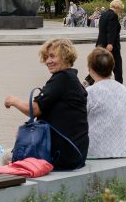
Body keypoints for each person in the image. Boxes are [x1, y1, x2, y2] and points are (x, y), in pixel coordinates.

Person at [5, 38, 88, 170]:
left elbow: (34, 109)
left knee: (7, 157)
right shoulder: (72, 79)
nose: (48, 61)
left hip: (63, 155)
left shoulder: (62, 78)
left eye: (52, 56)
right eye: (46, 57)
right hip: (75, 152)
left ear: (65, 56)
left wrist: (13, 100)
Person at [84, 48, 126, 158]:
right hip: (123, 150)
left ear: (90, 70)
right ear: (112, 68)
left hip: (96, 152)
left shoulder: (90, 92)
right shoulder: (123, 89)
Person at [96, 0, 123, 84]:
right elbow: (112, 31)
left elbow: (102, 30)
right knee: (117, 67)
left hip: (100, 43)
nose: (120, 11)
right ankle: (119, 85)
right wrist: (110, 43)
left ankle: (88, 80)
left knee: (99, 64)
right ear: (117, 7)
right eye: (120, 9)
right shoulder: (113, 15)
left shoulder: (103, 15)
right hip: (111, 46)